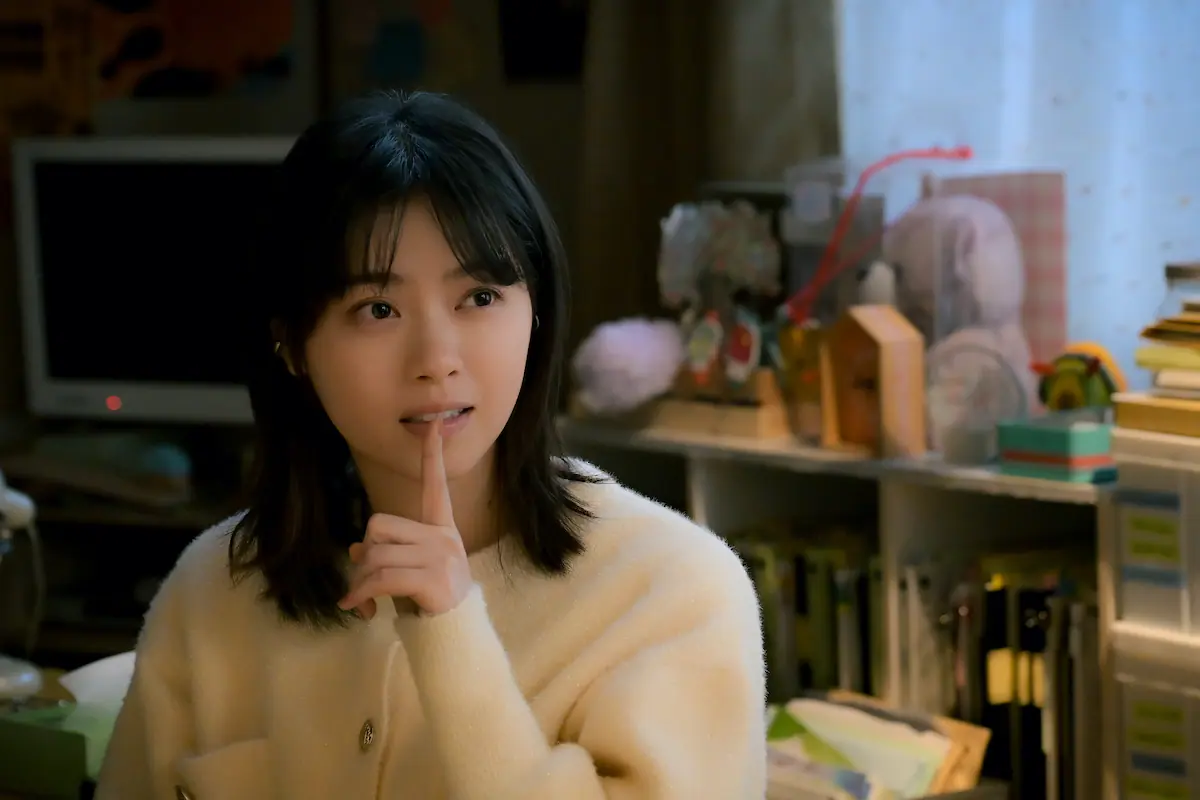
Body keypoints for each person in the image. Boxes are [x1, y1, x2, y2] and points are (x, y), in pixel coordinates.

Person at [96, 91, 766, 799]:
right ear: (292, 345)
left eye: (479, 297)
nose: (437, 360)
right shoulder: (214, 589)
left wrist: (451, 634)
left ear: (536, 310)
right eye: (378, 309)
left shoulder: (674, 590)